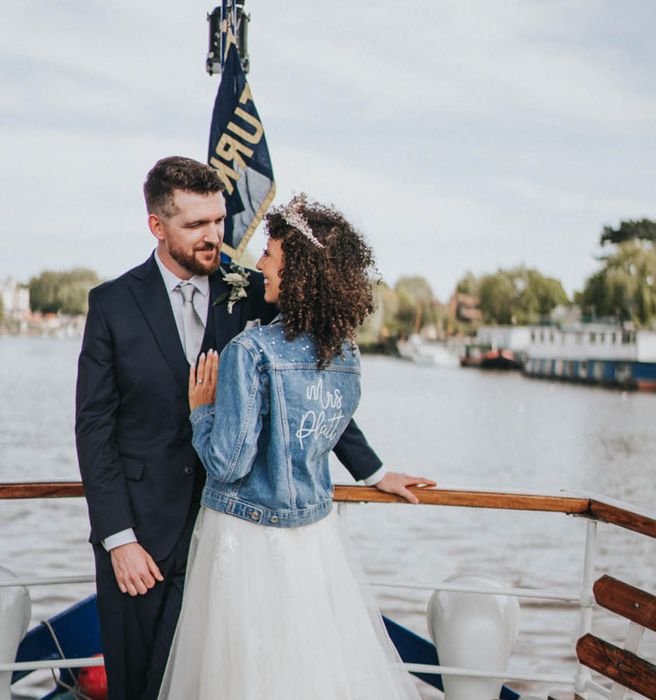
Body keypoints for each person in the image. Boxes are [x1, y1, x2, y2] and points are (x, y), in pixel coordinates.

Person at [76, 157, 431, 700]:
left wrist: (373, 470)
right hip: (144, 538)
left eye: (218, 220)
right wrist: (117, 538)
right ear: (157, 225)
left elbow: (307, 384)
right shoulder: (111, 304)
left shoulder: (254, 289)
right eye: (196, 225)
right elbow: (93, 429)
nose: (214, 236)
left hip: (236, 535)